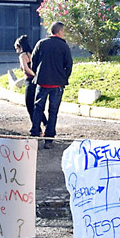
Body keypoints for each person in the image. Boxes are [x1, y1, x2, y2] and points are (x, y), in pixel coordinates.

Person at [30, 21, 73, 149]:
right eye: (63, 31)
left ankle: (34, 134)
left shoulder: (41, 43)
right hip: (57, 85)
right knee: (53, 111)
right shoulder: (64, 46)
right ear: (59, 32)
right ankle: (49, 139)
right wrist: (64, 78)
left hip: (42, 83)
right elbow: (69, 65)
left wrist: (37, 73)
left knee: (38, 109)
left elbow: (33, 61)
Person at [14, 35, 36, 130]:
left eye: (16, 48)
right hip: (37, 82)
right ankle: (43, 123)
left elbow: (26, 68)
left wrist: (34, 75)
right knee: (36, 105)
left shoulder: (22, 56)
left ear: (19, 46)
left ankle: (37, 127)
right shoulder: (32, 53)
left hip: (29, 81)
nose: (16, 51)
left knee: (29, 105)